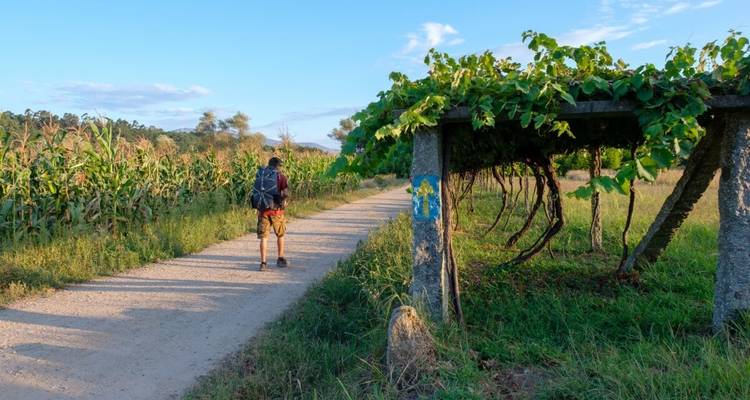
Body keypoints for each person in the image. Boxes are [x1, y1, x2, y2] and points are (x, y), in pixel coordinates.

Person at [257, 156, 289, 271]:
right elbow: (285, 193)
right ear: (278, 166)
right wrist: (282, 200)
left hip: (263, 210)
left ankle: (263, 263)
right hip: (277, 211)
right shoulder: (281, 177)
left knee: (264, 237)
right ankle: (280, 258)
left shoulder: (261, 176)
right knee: (280, 235)